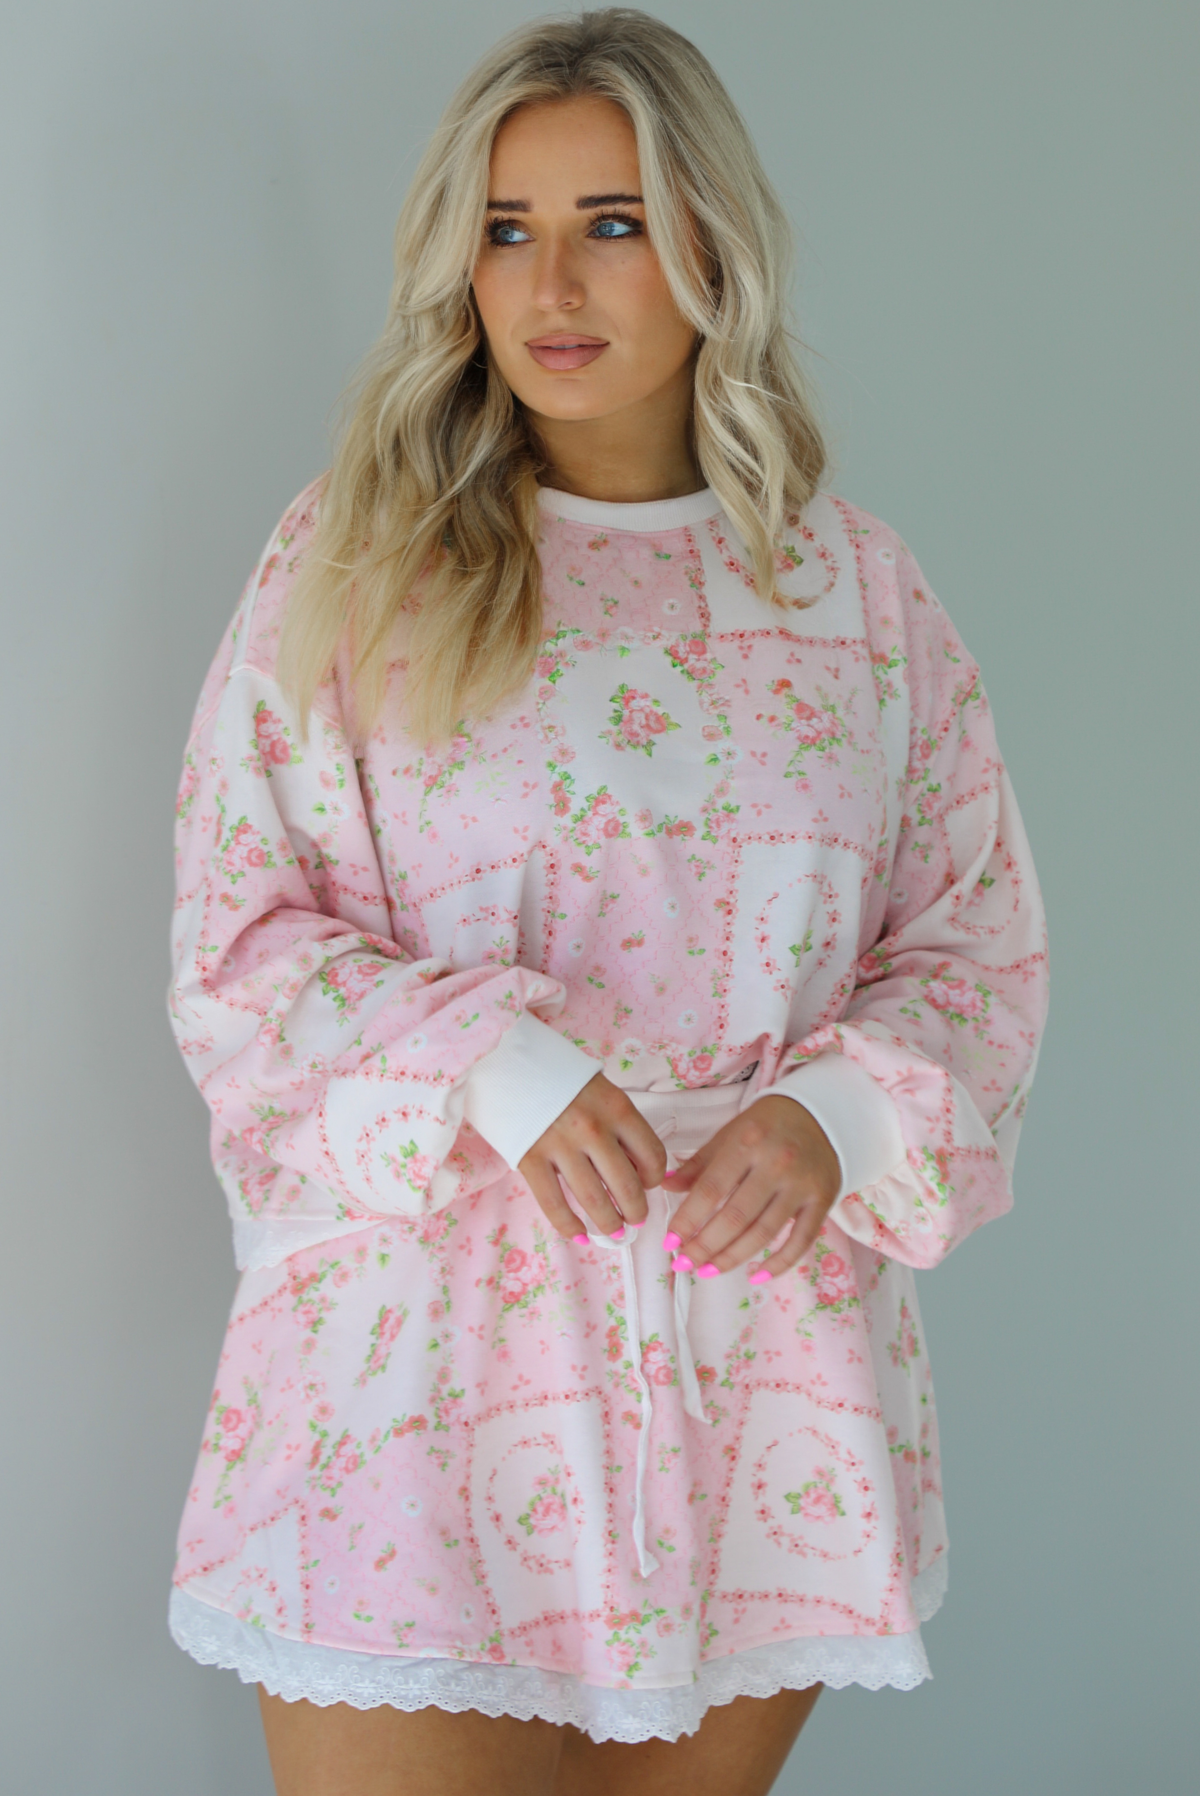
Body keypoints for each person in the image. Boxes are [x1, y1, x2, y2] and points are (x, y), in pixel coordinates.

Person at [165, 10, 1049, 1794]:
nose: (551, 279)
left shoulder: (853, 595)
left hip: (761, 1380)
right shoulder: (358, 561)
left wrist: (834, 1112)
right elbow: (240, 939)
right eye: (506, 228)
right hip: (417, 1391)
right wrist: (498, 1070)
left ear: (714, 241)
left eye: (613, 219)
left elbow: (975, 940)